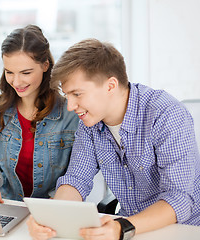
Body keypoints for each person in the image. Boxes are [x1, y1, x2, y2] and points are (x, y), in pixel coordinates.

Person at [27, 38, 200, 240]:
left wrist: (122, 227)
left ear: (110, 86)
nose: (70, 106)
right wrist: (52, 216)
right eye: (68, 95)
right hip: (127, 229)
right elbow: (76, 180)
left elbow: (178, 198)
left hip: (183, 230)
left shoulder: (166, 114)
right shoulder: (89, 123)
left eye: (77, 94)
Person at [0, 25, 79, 205]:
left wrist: (53, 206)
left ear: (45, 65)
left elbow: (76, 175)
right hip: (7, 204)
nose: (16, 82)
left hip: (54, 206)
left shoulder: (71, 114)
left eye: (26, 73)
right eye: (9, 72)